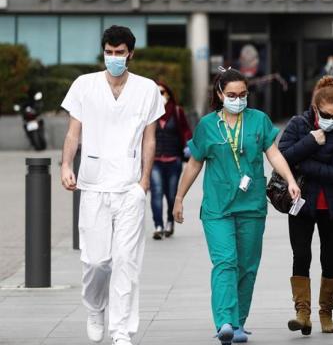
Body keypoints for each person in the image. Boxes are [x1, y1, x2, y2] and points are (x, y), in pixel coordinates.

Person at [172, 68, 301, 345]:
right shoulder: (208, 125)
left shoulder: (258, 121)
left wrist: (290, 179)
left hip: (251, 205)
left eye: (243, 94)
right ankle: (225, 322)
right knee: (225, 262)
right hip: (217, 207)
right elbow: (194, 162)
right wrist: (180, 197)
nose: (238, 99)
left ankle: (239, 322)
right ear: (219, 94)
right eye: (231, 95)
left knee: (247, 266)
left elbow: (273, 152)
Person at [60, 25, 165, 345]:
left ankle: (121, 330)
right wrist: (65, 165)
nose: (114, 58)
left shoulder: (147, 89)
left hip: (130, 186)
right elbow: (73, 132)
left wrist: (144, 181)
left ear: (130, 53)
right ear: (103, 51)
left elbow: (150, 138)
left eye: (120, 53)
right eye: (109, 52)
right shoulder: (84, 85)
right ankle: (95, 307)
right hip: (93, 185)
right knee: (95, 260)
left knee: (125, 261)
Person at [278, 76, 333, 336]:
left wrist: (304, 163)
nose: (329, 119)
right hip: (301, 202)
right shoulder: (298, 125)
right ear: (315, 107)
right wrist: (311, 142)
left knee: (329, 258)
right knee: (301, 255)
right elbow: (283, 157)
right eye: (325, 114)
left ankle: (326, 313)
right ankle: (302, 312)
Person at [150, 81, 192, 240]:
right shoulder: (149, 112)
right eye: (156, 93)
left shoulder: (176, 111)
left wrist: (188, 146)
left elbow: (186, 130)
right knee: (157, 192)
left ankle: (169, 222)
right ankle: (158, 226)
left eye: (162, 92)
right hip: (155, 160)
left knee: (171, 193)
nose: (160, 96)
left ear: (168, 94)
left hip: (174, 159)